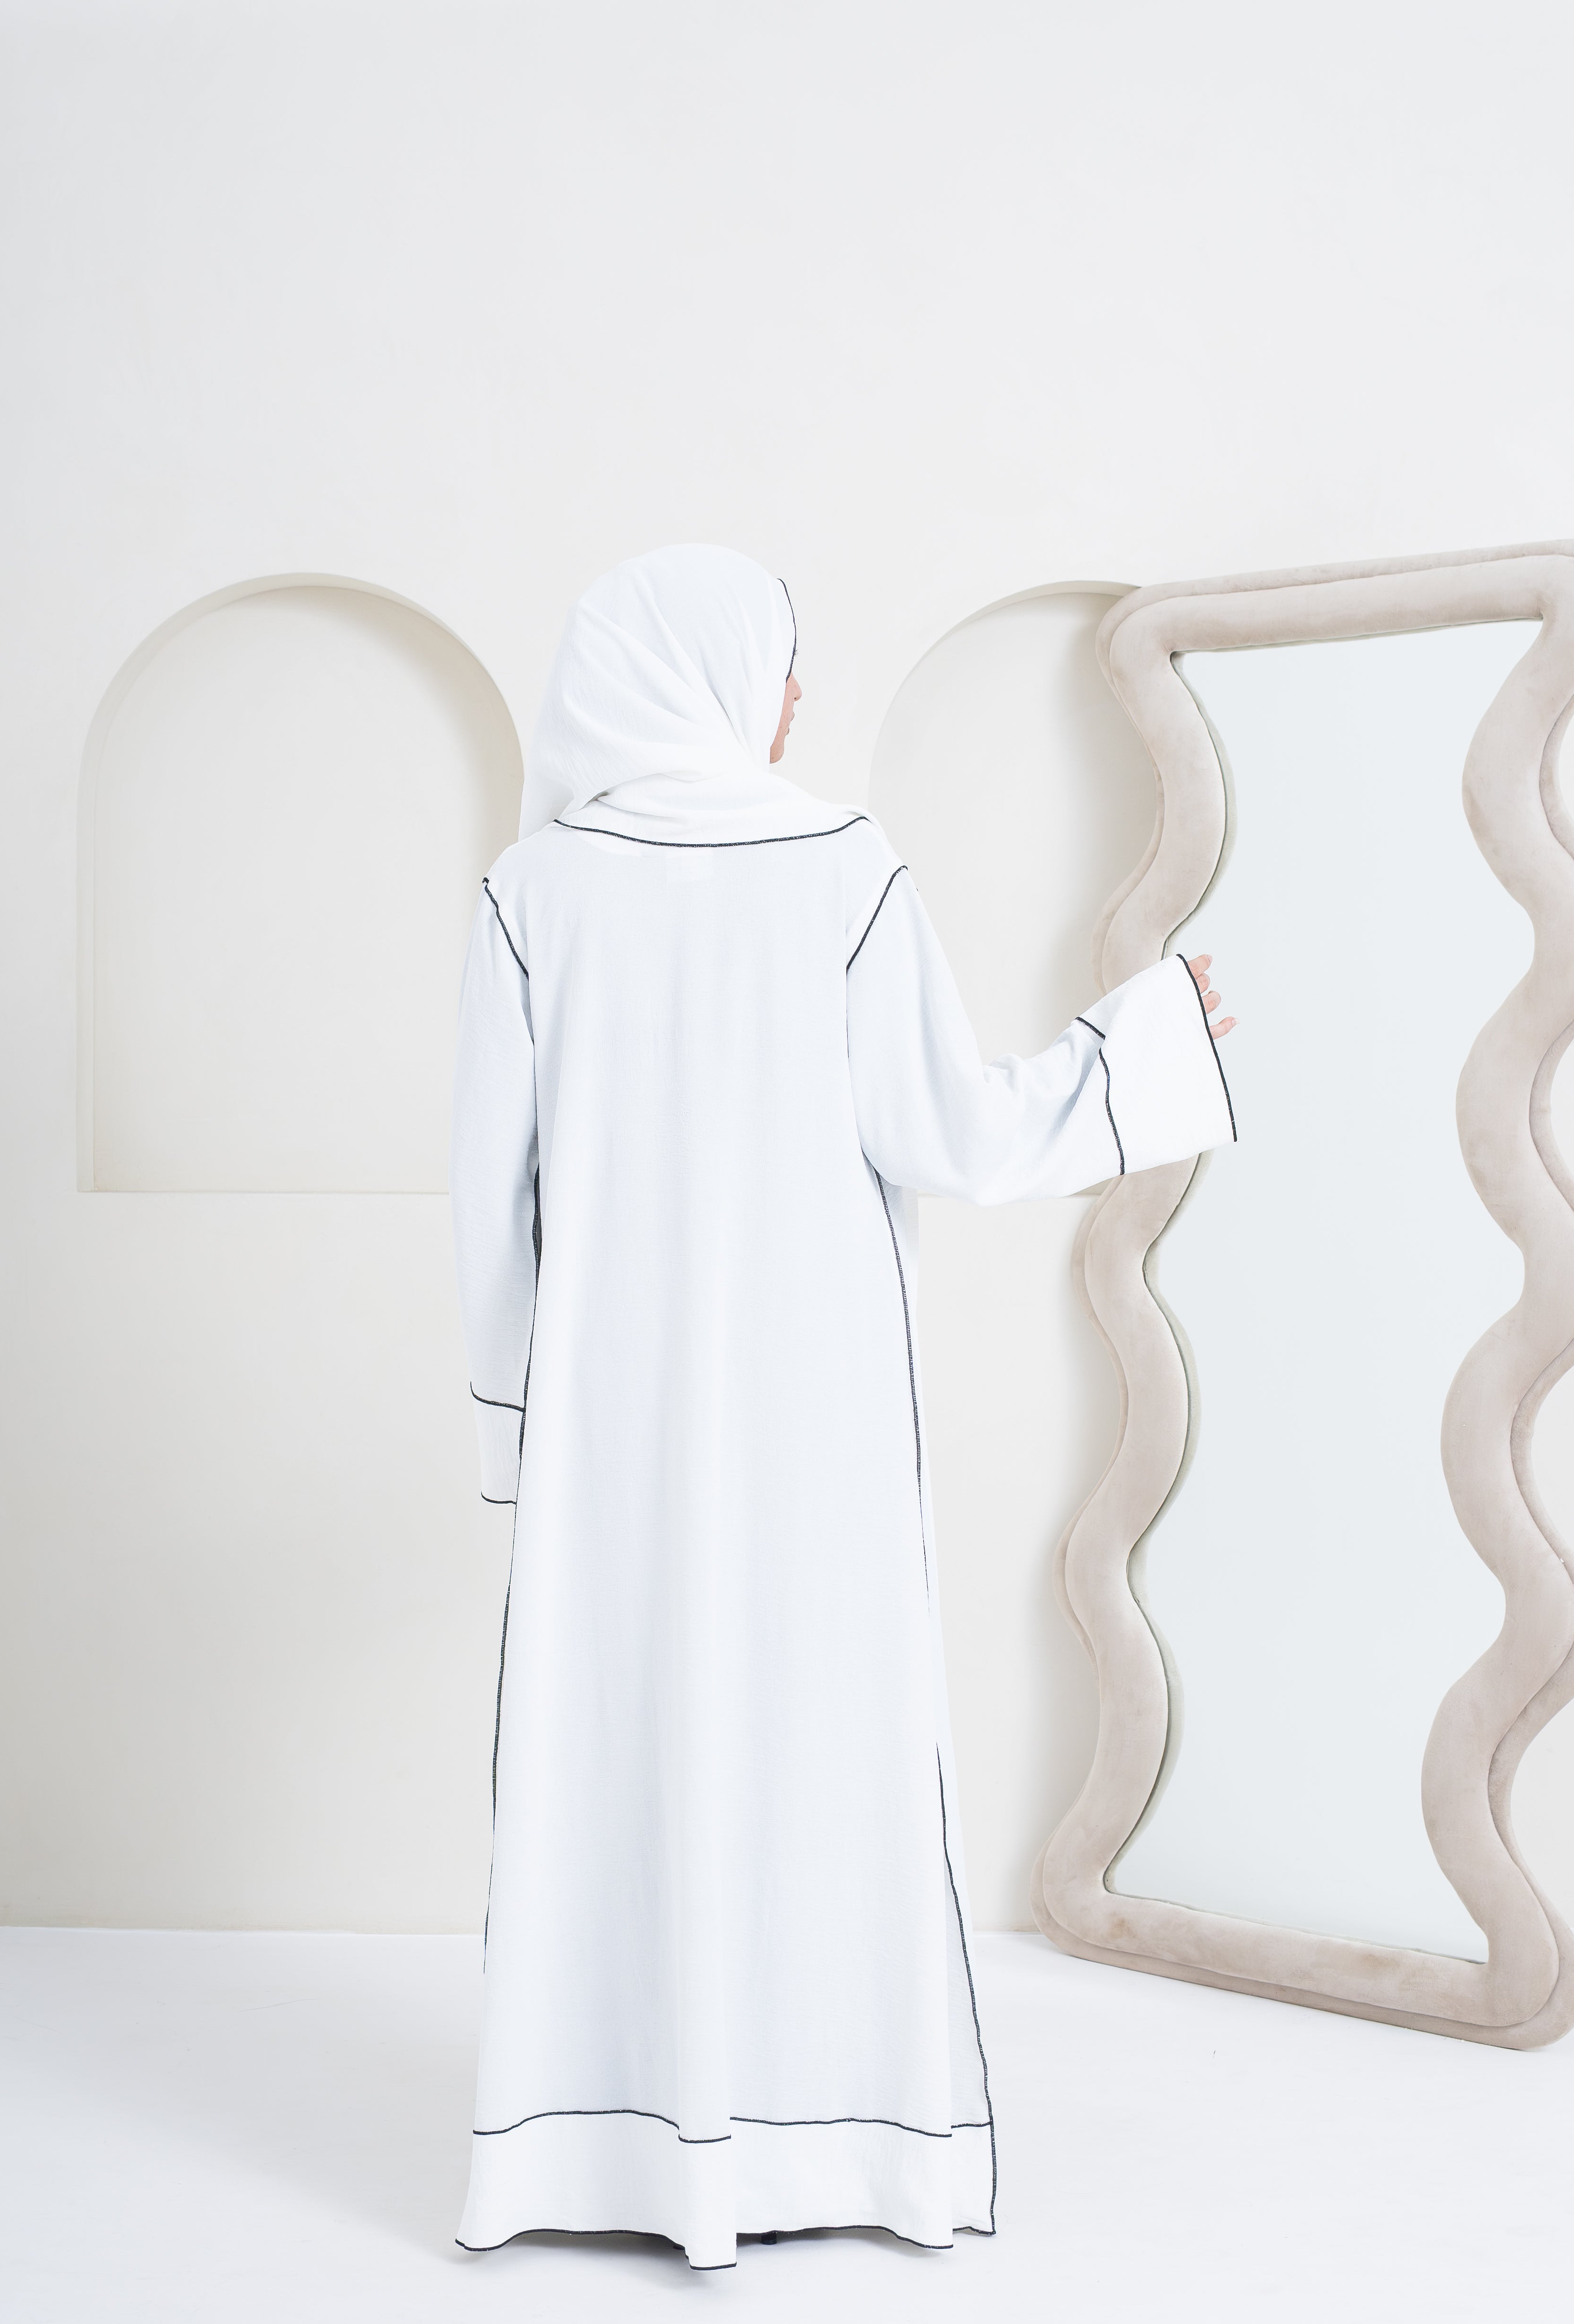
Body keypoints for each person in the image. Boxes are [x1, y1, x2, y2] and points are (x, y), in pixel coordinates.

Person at [448, 544, 1236, 2270]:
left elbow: (487, 1206)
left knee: (617, 1746)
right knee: (825, 1741)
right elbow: (951, 1131)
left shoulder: (530, 894)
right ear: (716, 674)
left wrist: (517, 1428)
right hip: (820, 1420)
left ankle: (610, 2152)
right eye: (782, 662)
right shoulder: (844, 872)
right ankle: (845, 2149)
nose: (796, 696)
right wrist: (1151, 1046)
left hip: (609, 1433)